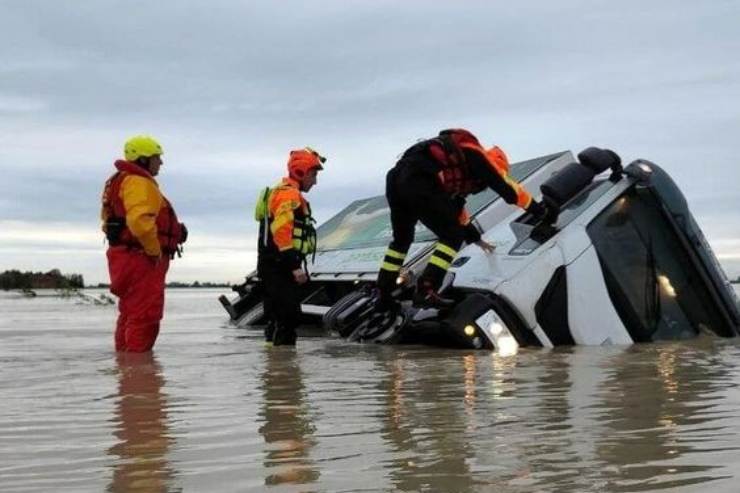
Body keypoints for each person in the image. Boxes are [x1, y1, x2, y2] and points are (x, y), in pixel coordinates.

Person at [376, 128, 547, 308]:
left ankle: (383, 293)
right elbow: (509, 191)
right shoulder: (478, 157)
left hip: (396, 179)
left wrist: (478, 240)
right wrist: (539, 211)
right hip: (419, 178)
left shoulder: (458, 163)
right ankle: (426, 289)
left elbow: (457, 213)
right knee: (451, 235)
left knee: (401, 241)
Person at [101, 135, 187, 352]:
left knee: (129, 313)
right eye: (157, 157)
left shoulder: (119, 181)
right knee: (145, 316)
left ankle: (126, 370)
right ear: (143, 159)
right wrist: (154, 250)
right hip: (141, 258)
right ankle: (139, 377)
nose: (161, 162)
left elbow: (108, 219)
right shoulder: (139, 182)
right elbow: (139, 221)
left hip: (124, 255)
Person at [255, 147, 325, 346]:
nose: (315, 181)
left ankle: (275, 370)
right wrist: (294, 266)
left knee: (276, 318)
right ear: (301, 172)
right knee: (287, 317)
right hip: (280, 266)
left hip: (272, 265)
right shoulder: (288, 196)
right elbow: (282, 233)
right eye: (313, 175)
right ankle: (284, 371)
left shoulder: (280, 193)